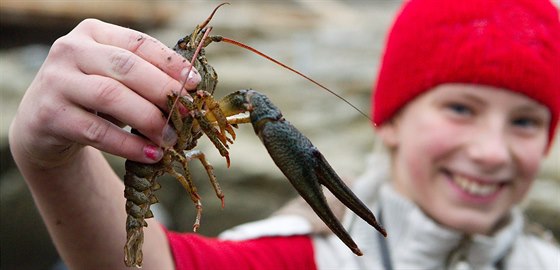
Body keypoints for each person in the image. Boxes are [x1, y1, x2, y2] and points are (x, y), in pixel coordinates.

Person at [9, 0, 560, 269]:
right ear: (388, 120)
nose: (491, 151)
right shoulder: (294, 257)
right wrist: (52, 162)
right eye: (461, 108)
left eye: (525, 121)